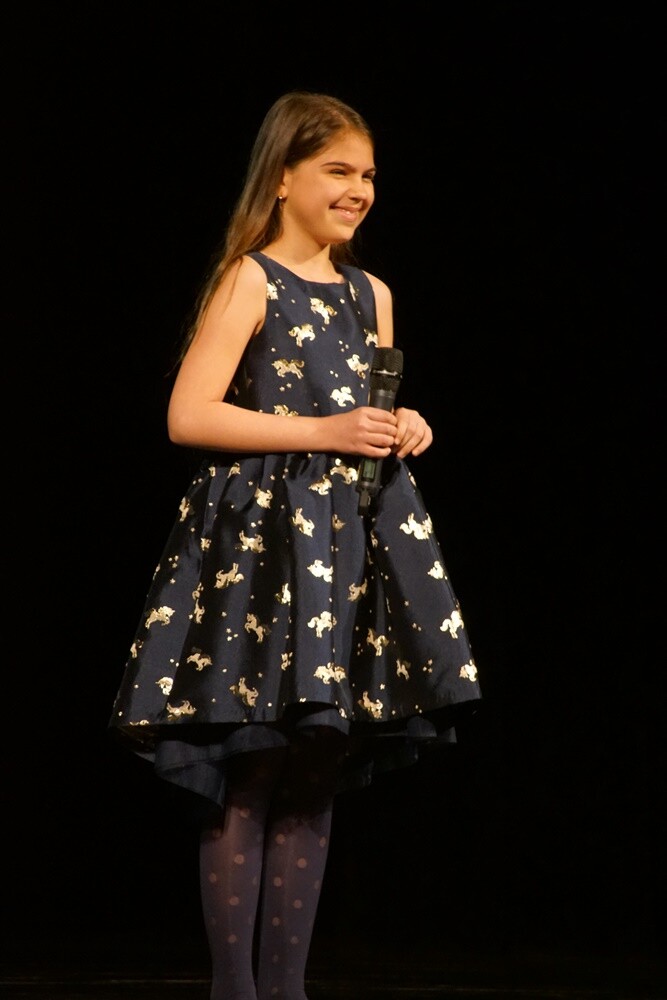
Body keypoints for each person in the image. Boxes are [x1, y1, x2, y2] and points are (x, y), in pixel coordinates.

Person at [109, 90, 481, 1000]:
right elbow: (188, 414)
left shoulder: (371, 294)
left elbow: (368, 407)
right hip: (264, 550)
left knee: (316, 764)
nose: (358, 190)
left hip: (346, 547)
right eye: (336, 170)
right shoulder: (252, 279)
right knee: (255, 761)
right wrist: (322, 431)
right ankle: (234, 991)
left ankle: (287, 990)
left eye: (368, 175)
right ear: (282, 178)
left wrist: (403, 425)